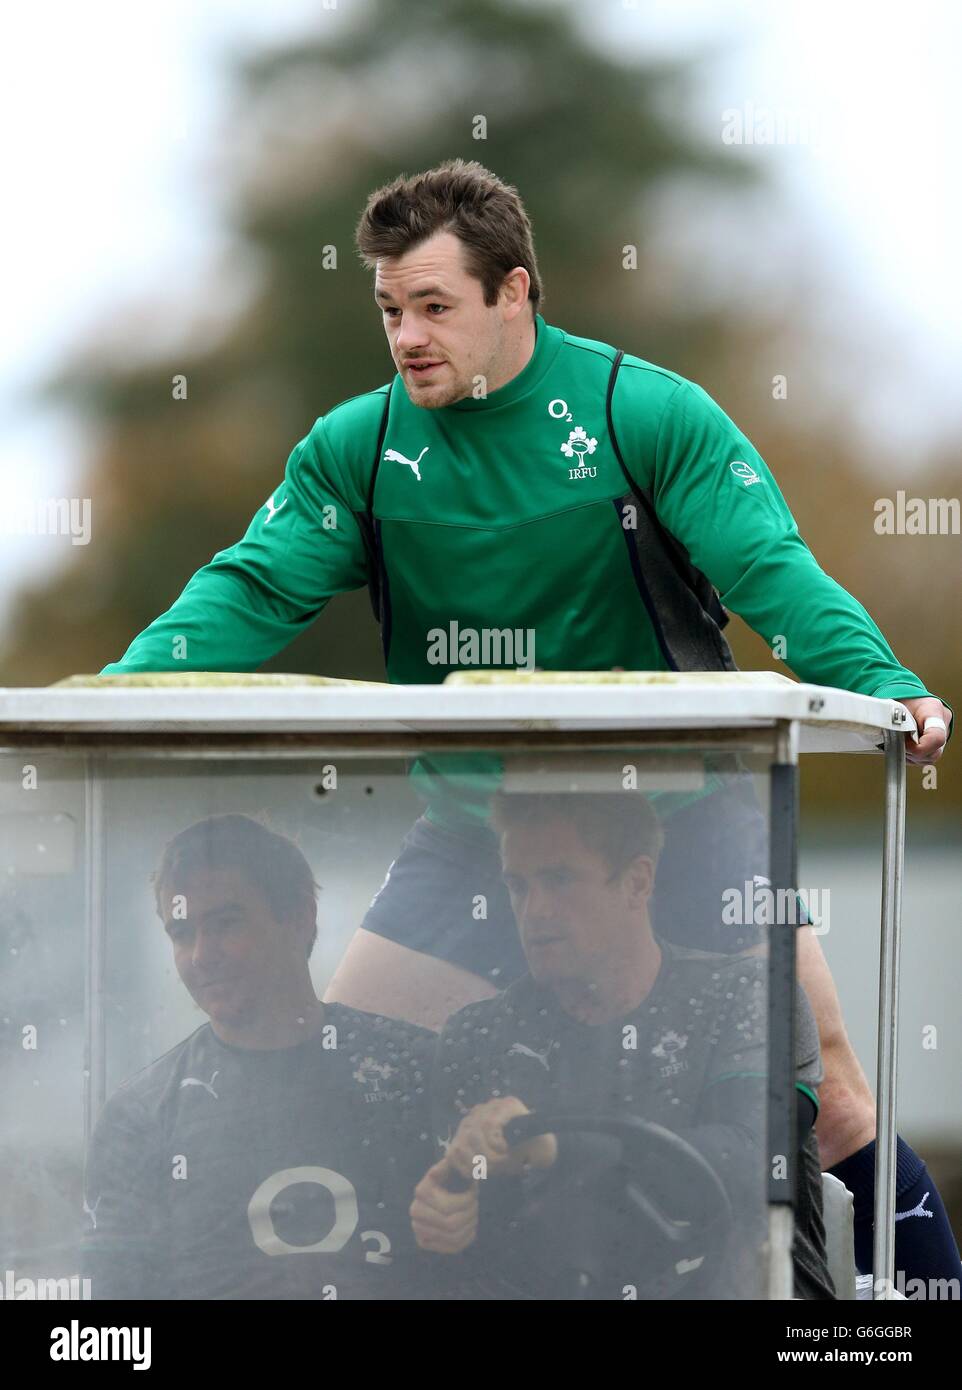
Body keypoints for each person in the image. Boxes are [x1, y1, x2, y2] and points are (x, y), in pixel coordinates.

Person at [99, 157, 959, 1293]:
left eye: (435, 307)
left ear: (515, 295)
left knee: (828, 1085)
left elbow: (763, 565)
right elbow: (252, 587)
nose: (407, 336)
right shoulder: (355, 448)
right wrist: (109, 693)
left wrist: (883, 680)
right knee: (337, 1068)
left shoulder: (639, 412)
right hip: (474, 829)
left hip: (680, 814)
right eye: (390, 310)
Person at [410, 790, 833, 1300]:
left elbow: (752, 1165)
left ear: (637, 882)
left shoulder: (751, 996)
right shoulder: (478, 1037)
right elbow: (463, 1243)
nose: (535, 910)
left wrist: (555, 1148)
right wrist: (446, 1208)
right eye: (518, 886)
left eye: (559, 880)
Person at [81, 815, 437, 1300]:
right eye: (181, 933)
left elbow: (487, 1271)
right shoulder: (139, 1118)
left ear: (299, 918)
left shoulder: (417, 1071)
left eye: (226, 924)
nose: (202, 955)